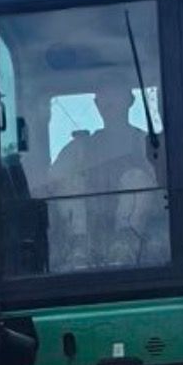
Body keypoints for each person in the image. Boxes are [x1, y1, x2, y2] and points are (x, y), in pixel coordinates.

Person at [43, 66, 167, 269]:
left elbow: (161, 189)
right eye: (103, 95)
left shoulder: (145, 144)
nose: (109, 101)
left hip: (140, 245)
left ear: (130, 100)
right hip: (89, 234)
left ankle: (125, 243)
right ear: (97, 104)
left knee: (136, 178)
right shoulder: (80, 147)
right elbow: (52, 181)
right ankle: (79, 247)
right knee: (70, 182)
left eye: (115, 93)